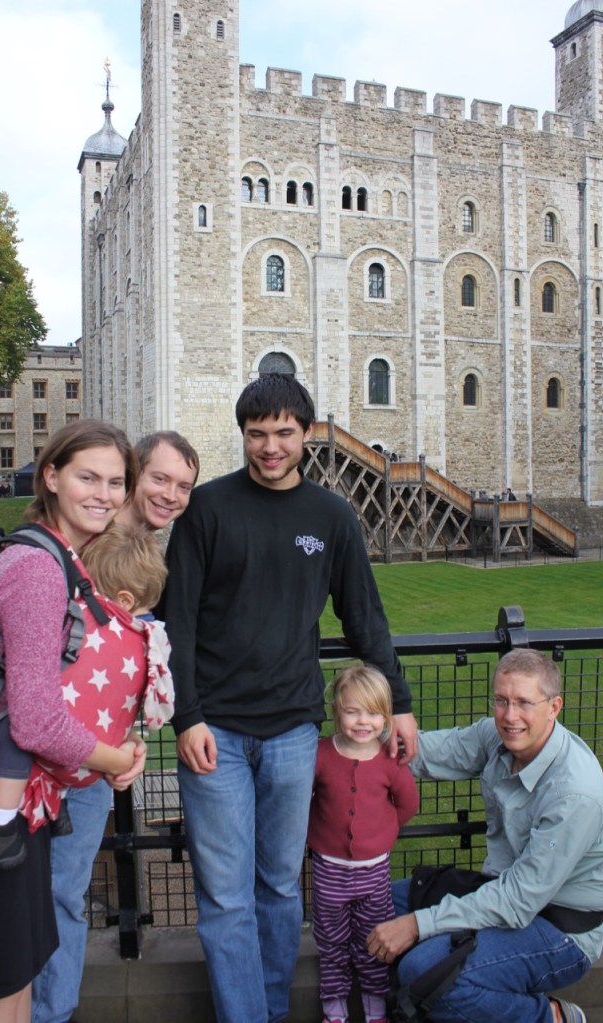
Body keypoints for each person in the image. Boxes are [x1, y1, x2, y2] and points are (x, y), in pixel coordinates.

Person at [164, 372, 418, 1023]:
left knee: (280, 887)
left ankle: (271, 1011)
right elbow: (179, 624)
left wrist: (402, 700)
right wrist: (185, 715)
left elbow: (365, 617)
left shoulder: (330, 516)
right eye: (257, 434)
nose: (269, 446)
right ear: (243, 434)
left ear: (305, 432)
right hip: (213, 732)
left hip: (292, 733)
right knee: (225, 897)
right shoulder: (208, 508)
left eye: (282, 432)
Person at [0, 419, 145, 1021]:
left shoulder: (60, 559)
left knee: (16, 977)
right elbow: (35, 721)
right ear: (52, 477)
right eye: (88, 477)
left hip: (12, 789)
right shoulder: (37, 569)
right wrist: (119, 760)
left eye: (117, 482)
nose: (104, 494)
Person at [31, 429, 199, 1023]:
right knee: (39, 895)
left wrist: (127, 741)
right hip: (37, 757)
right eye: (158, 478)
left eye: (183, 486)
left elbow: (125, 675)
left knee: (60, 893)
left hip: (93, 764)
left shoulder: (140, 551)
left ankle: (50, 1012)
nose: (171, 494)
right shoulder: (69, 547)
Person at [367, 648, 603, 1023]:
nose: (509, 716)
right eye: (501, 700)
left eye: (524, 703)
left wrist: (420, 924)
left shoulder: (573, 795)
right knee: (375, 905)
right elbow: (425, 752)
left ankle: (551, 1017)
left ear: (554, 706)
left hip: (560, 930)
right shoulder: (495, 737)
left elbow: (517, 901)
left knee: (423, 972)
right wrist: (362, 736)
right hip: (500, 891)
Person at [0, 522, 172, 879]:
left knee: (13, 725)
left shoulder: (110, 631)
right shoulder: (148, 640)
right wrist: (125, 745)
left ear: (123, 599)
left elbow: (41, 715)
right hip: (97, 754)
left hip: (71, 752)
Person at [308, 666, 419, 1023]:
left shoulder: (390, 759)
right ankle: (334, 1011)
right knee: (332, 945)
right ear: (336, 710)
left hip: (373, 873)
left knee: (373, 943)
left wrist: (382, 832)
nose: (363, 721)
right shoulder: (320, 754)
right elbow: (303, 800)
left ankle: (375, 1012)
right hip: (328, 871)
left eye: (373, 713)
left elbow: (407, 804)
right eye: (352, 711)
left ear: (386, 717)